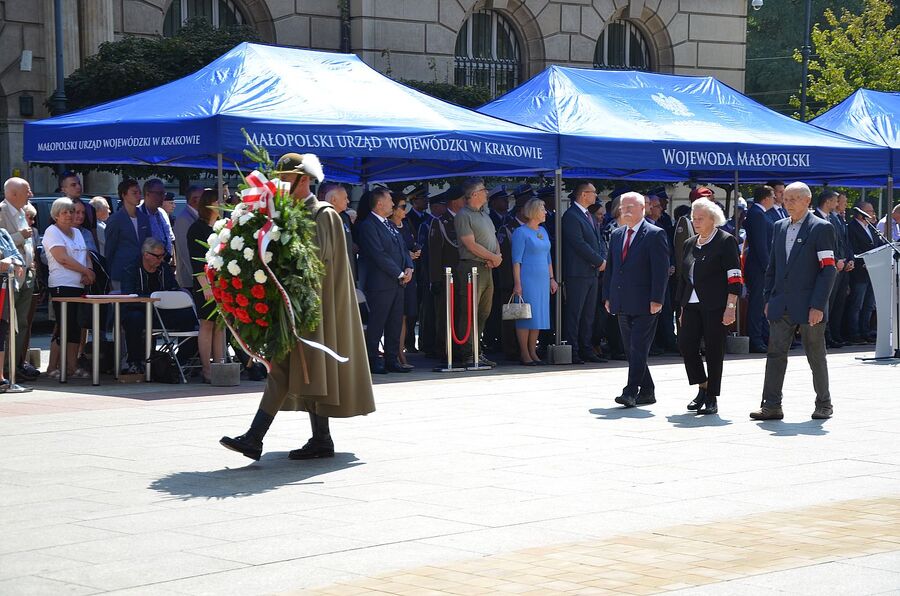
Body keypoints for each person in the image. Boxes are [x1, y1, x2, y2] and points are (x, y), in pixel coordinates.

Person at [221, 152, 374, 461]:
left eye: (286, 179)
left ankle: (257, 437)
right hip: (293, 305)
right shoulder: (286, 213)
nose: (280, 185)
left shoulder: (322, 214)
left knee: (291, 369)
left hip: (313, 307)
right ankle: (318, 439)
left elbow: (314, 262)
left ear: (304, 180)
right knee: (303, 371)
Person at [751, 182, 837, 421]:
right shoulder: (779, 226)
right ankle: (771, 405)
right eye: (786, 199)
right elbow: (773, 266)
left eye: (794, 199)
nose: (788, 203)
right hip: (781, 303)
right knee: (775, 354)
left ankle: (824, 403)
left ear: (807, 201)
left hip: (810, 305)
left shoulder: (821, 228)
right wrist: (769, 298)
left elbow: (828, 270)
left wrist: (818, 305)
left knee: (815, 355)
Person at [676, 198, 742, 415]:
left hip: (716, 305)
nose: (695, 222)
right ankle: (702, 385)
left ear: (713, 219)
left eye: (700, 219)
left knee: (714, 350)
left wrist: (730, 307)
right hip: (690, 304)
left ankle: (712, 396)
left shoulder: (726, 241)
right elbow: (683, 278)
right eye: (694, 218)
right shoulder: (689, 243)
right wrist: (681, 307)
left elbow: (734, 277)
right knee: (686, 345)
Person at [603, 192, 669, 408]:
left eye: (630, 207)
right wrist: (608, 296)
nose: (626, 211)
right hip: (622, 300)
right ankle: (648, 390)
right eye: (623, 207)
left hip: (645, 302)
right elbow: (612, 269)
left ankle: (631, 391)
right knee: (631, 348)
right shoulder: (617, 235)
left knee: (638, 347)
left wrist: (657, 299)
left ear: (643, 208)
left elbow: (660, 271)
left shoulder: (655, 234)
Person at [356, 188, 413, 374]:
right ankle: (373, 360)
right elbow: (378, 254)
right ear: (380, 204)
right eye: (390, 200)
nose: (393, 204)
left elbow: (403, 248)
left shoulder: (389, 224)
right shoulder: (369, 225)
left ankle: (391, 359)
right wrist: (399, 273)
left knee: (394, 323)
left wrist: (409, 267)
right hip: (380, 284)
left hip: (397, 283)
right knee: (377, 323)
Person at [121, 237, 192, 374]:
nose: (161, 260)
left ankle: (182, 360)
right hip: (140, 310)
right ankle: (134, 361)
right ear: (146, 255)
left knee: (189, 317)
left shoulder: (164, 269)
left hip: (163, 312)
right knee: (134, 318)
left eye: (163, 256)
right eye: (157, 256)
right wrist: (153, 299)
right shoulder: (131, 269)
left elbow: (174, 289)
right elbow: (129, 296)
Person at [43, 198, 94, 380]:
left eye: (71, 211)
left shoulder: (77, 232)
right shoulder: (52, 231)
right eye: (64, 212)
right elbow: (62, 258)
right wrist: (85, 271)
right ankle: (52, 367)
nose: (69, 215)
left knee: (75, 327)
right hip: (61, 285)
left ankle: (72, 366)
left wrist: (89, 271)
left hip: (78, 285)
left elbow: (85, 255)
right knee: (63, 326)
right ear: (56, 215)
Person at [454, 178, 501, 368]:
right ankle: (467, 353)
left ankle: (477, 351)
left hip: (486, 267)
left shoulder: (485, 215)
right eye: (483, 190)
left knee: (483, 312)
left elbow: (494, 239)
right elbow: (470, 244)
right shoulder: (463, 215)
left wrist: (496, 256)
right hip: (471, 268)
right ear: (474, 194)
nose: (487, 193)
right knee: (469, 311)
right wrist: (493, 257)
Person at [562, 182, 607, 364]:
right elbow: (578, 244)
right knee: (575, 313)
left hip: (591, 272)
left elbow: (597, 241)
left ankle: (586, 349)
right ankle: (573, 350)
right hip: (578, 273)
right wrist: (599, 261)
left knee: (588, 315)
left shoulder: (588, 215)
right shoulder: (571, 216)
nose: (596, 195)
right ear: (583, 194)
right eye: (593, 192)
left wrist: (601, 260)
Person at [0, 177, 39, 380]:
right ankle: (5, 369)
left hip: (26, 274)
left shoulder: (23, 211)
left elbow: (28, 243)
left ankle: (14, 367)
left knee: (22, 323)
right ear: (13, 193)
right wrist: (19, 236)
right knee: (7, 323)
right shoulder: (1, 211)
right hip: (8, 277)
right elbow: (4, 243)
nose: (31, 194)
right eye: (27, 190)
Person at [512, 198, 557, 365]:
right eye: (542, 209)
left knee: (537, 316)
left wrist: (552, 278)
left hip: (542, 279)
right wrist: (518, 283)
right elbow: (516, 260)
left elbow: (548, 257)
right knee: (526, 316)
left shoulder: (543, 231)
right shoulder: (520, 232)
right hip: (527, 279)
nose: (545, 212)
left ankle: (533, 351)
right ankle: (524, 353)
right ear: (534, 211)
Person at [187, 189, 224, 382]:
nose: (221, 204)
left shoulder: (220, 228)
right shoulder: (196, 229)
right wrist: (206, 286)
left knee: (220, 325)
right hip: (205, 283)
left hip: (221, 283)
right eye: (218, 201)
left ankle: (219, 365)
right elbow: (196, 261)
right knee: (207, 324)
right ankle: (207, 369)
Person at [427, 186, 463, 361]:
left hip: (464, 276)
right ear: (455, 201)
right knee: (445, 315)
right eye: (463, 199)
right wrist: (435, 279)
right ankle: (444, 350)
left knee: (462, 314)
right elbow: (434, 254)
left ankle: (460, 349)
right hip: (447, 277)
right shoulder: (440, 222)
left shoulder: (465, 220)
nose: (465, 202)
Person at [813, 191, 850, 349]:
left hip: (838, 266)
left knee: (834, 304)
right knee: (824, 303)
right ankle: (823, 337)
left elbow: (840, 242)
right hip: (824, 268)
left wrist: (845, 260)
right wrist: (835, 260)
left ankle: (832, 335)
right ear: (827, 201)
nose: (837, 204)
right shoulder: (814, 218)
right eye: (835, 201)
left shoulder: (833, 218)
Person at [388, 191, 421, 368]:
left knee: (407, 315)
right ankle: (397, 354)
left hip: (409, 275)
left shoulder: (406, 225)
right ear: (393, 209)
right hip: (394, 276)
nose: (405, 210)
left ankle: (400, 352)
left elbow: (411, 244)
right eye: (402, 206)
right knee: (397, 316)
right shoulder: (387, 226)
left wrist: (415, 252)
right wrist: (405, 255)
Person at [744, 185, 776, 353]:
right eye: (772, 196)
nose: (774, 200)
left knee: (762, 304)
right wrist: (768, 267)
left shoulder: (760, 213)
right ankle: (755, 340)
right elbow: (760, 245)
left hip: (760, 266)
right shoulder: (757, 214)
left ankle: (764, 337)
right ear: (765, 198)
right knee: (757, 304)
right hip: (758, 267)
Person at [105, 179, 151, 292]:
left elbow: (149, 243)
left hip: (141, 272)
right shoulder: (115, 219)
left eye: (139, 192)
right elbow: (110, 249)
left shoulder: (144, 218)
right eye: (134, 193)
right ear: (124, 195)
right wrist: (109, 274)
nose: (139, 196)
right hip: (121, 272)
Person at [847, 201, 882, 344]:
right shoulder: (851, 227)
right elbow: (852, 248)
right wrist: (864, 262)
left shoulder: (871, 227)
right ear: (861, 213)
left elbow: (878, 245)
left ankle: (865, 331)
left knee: (868, 304)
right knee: (857, 304)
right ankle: (854, 333)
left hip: (872, 271)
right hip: (860, 271)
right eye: (870, 211)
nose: (873, 214)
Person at [0, 228, 25, 390]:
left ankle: (0, 377)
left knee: (1, 331)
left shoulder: (2, 233)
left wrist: (9, 261)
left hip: (4, 287)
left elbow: (19, 259)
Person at [828, 193, 854, 347]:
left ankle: (836, 334)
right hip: (835, 266)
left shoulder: (840, 219)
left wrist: (851, 259)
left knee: (839, 303)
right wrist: (838, 260)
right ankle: (828, 335)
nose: (845, 204)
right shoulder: (830, 219)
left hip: (844, 266)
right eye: (843, 202)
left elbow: (846, 242)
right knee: (830, 303)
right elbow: (832, 244)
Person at [59, 171, 98, 247]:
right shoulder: (57, 209)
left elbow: (94, 237)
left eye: (79, 183)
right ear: (63, 189)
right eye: (73, 185)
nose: (78, 187)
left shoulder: (89, 209)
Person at [174, 186, 202, 291]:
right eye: (203, 197)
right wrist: (198, 277)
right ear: (194, 199)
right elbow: (185, 251)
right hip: (190, 280)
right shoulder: (183, 219)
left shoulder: (196, 216)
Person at [140, 179, 175, 261]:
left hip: (164, 261)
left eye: (164, 193)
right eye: (159, 193)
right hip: (147, 263)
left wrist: (172, 263)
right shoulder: (138, 215)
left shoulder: (162, 213)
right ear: (147, 194)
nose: (163, 197)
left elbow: (170, 239)